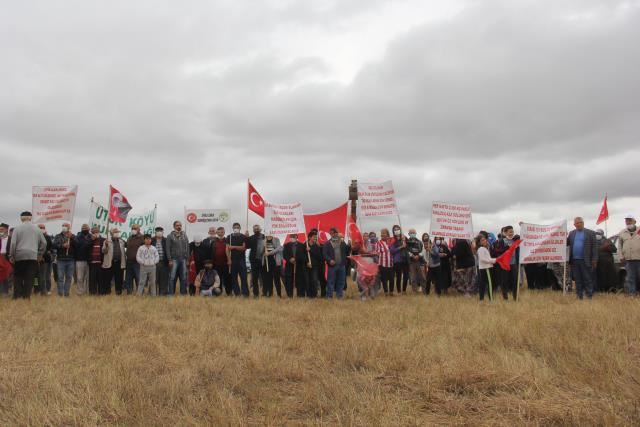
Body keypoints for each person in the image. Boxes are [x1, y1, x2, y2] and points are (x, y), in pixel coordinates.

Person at [8, 211, 46, 299]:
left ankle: (17, 296)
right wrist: (39, 254)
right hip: (32, 256)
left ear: (21, 218)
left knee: (18, 276)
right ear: (30, 218)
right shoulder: (37, 229)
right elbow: (44, 243)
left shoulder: (17, 228)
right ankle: (26, 296)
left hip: (19, 255)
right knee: (30, 277)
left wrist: (12, 256)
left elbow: (13, 244)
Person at [567, 217, 598, 300]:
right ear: (574, 225)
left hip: (586, 260)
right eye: (577, 223)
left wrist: (594, 260)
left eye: (580, 222)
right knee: (577, 280)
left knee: (587, 278)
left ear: (583, 223)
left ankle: (589, 296)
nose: (579, 224)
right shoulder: (571, 233)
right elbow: (566, 243)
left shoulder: (591, 233)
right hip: (574, 261)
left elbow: (595, 247)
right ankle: (579, 296)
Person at [492, 226, 520, 300]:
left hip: (514, 264)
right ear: (505, 232)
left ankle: (515, 297)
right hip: (505, 264)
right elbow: (498, 251)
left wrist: (521, 225)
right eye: (510, 232)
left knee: (515, 280)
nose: (511, 233)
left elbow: (521, 237)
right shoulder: (502, 241)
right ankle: (505, 297)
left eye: (512, 231)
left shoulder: (515, 240)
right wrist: (507, 248)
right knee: (505, 281)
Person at [323, 228, 348, 299]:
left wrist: (349, 245)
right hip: (332, 265)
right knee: (331, 281)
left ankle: (339, 295)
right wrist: (329, 260)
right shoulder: (327, 243)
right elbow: (324, 254)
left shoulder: (342, 242)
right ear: (330, 234)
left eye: (335, 233)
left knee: (341, 281)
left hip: (341, 265)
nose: (334, 234)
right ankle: (329, 296)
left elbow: (347, 251)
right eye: (332, 233)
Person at [52, 222, 76, 297]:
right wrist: (62, 245)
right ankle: (60, 293)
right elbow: (54, 245)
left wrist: (72, 237)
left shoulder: (73, 236)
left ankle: (66, 293)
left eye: (66, 226)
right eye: (63, 226)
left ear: (69, 227)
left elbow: (77, 244)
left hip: (71, 259)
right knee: (60, 277)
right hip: (61, 259)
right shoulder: (58, 236)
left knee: (69, 277)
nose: (64, 227)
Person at [619, 214, 640, 296]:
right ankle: (632, 294)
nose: (628, 222)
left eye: (630, 220)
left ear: (634, 221)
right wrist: (621, 256)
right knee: (630, 278)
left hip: (639, 258)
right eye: (626, 220)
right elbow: (619, 246)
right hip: (628, 260)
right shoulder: (622, 232)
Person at [166, 220, 189, 296]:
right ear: (174, 226)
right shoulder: (170, 236)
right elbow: (167, 249)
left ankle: (183, 293)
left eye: (180, 225)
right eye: (177, 225)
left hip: (183, 259)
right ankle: (171, 294)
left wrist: (187, 259)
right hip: (174, 259)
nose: (179, 226)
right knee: (172, 277)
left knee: (184, 277)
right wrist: (170, 260)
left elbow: (187, 247)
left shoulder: (184, 235)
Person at [101, 228, 126, 295]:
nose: (117, 233)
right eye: (115, 232)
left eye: (117, 232)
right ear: (111, 233)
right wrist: (106, 245)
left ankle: (118, 292)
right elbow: (104, 251)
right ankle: (107, 292)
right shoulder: (107, 241)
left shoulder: (121, 241)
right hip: (110, 262)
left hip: (119, 262)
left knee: (119, 278)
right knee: (107, 278)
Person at [283, 233, 308, 297]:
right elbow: (284, 255)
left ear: (297, 237)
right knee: (289, 281)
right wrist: (289, 259)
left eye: (293, 237)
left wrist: (295, 259)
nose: (292, 238)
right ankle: (289, 295)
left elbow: (304, 255)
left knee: (300, 281)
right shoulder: (286, 245)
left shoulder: (302, 245)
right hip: (289, 265)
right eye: (291, 236)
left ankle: (300, 295)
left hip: (299, 266)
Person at [226, 223, 247, 297]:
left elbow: (243, 248)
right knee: (234, 278)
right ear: (232, 228)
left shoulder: (243, 237)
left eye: (237, 227)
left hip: (241, 260)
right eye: (235, 227)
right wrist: (229, 259)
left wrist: (233, 247)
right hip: (232, 260)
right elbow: (227, 249)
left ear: (240, 228)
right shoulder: (229, 237)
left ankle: (245, 293)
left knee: (244, 277)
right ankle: (237, 293)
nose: (236, 228)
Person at [246, 224, 266, 298]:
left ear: (260, 229)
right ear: (253, 230)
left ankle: (264, 292)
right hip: (254, 260)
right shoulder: (251, 237)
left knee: (264, 277)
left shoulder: (264, 236)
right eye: (255, 229)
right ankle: (256, 294)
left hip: (263, 260)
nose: (256, 230)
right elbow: (247, 246)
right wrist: (246, 237)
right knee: (254, 278)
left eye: (257, 228)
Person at [210, 227, 231, 296]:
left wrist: (229, 260)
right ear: (217, 233)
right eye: (218, 232)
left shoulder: (228, 240)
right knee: (218, 280)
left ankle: (229, 293)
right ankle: (219, 292)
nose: (220, 234)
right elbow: (212, 253)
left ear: (224, 233)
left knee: (227, 279)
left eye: (222, 232)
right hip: (216, 264)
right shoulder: (213, 242)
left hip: (226, 264)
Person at [124, 224, 144, 295]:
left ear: (139, 229)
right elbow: (127, 246)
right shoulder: (129, 238)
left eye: (135, 228)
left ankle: (140, 293)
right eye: (132, 228)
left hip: (137, 262)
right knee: (128, 278)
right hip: (129, 261)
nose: (133, 229)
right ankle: (129, 293)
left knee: (138, 278)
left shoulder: (142, 238)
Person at [476, 234, 497, 301]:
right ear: (479, 242)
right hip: (486, 269)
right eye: (482, 240)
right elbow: (483, 259)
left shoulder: (484, 248)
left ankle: (482, 299)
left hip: (485, 268)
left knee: (483, 284)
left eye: (485, 239)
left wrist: (492, 260)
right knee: (489, 284)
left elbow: (487, 258)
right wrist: (494, 260)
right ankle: (491, 300)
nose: (485, 241)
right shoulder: (481, 249)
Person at [389, 225, 409, 294]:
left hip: (405, 259)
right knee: (399, 276)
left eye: (398, 229)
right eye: (395, 229)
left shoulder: (404, 238)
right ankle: (399, 291)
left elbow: (408, 247)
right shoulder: (392, 240)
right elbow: (392, 251)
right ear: (393, 231)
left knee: (406, 276)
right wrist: (400, 247)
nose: (397, 230)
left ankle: (404, 290)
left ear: (400, 230)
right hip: (397, 260)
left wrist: (405, 242)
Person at [74, 224, 92, 296]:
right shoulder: (77, 237)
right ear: (81, 229)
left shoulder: (91, 236)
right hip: (80, 260)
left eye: (86, 228)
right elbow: (81, 246)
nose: (85, 230)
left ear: (89, 229)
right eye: (84, 228)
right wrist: (90, 241)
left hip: (89, 260)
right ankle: (80, 291)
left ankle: (86, 291)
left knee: (87, 277)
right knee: (79, 277)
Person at [406, 228, 426, 292]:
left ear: (415, 233)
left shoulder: (420, 242)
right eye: (411, 233)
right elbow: (407, 251)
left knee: (422, 276)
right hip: (411, 262)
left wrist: (418, 256)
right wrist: (412, 256)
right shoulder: (407, 242)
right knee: (413, 277)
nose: (412, 234)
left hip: (419, 261)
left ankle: (424, 289)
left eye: (413, 233)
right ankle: (414, 290)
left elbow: (423, 251)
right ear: (409, 234)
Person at [37, 224, 53, 296]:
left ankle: (47, 289)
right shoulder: (35, 237)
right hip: (37, 260)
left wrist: (49, 251)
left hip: (47, 260)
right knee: (36, 277)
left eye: (43, 228)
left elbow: (51, 247)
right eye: (40, 228)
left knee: (47, 276)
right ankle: (37, 289)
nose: (42, 229)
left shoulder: (48, 237)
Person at [87, 226, 104, 295]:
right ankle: (92, 292)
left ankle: (101, 292)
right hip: (92, 263)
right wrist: (92, 240)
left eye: (96, 232)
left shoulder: (103, 240)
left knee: (100, 278)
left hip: (100, 262)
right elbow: (86, 247)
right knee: (92, 279)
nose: (95, 233)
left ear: (99, 232)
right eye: (93, 232)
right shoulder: (89, 240)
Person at [306, 231, 322, 298]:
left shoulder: (316, 246)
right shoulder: (305, 245)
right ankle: (309, 294)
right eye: (314, 237)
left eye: (316, 237)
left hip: (315, 266)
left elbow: (319, 256)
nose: (315, 238)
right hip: (306, 266)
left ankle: (314, 294)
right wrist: (307, 262)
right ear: (310, 237)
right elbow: (302, 255)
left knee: (314, 280)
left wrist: (310, 250)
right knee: (308, 280)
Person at [153, 227, 169, 295]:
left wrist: (169, 260)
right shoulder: (152, 240)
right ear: (155, 232)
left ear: (163, 232)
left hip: (164, 262)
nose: (159, 232)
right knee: (154, 279)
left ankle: (163, 293)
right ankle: (154, 293)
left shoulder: (166, 240)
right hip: (154, 263)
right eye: (158, 231)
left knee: (164, 279)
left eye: (160, 231)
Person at [0, 222, 10, 295]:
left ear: (6, 230)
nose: (1, 231)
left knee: (6, 275)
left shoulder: (9, 239)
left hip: (6, 257)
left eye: (2, 229)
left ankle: (5, 291)